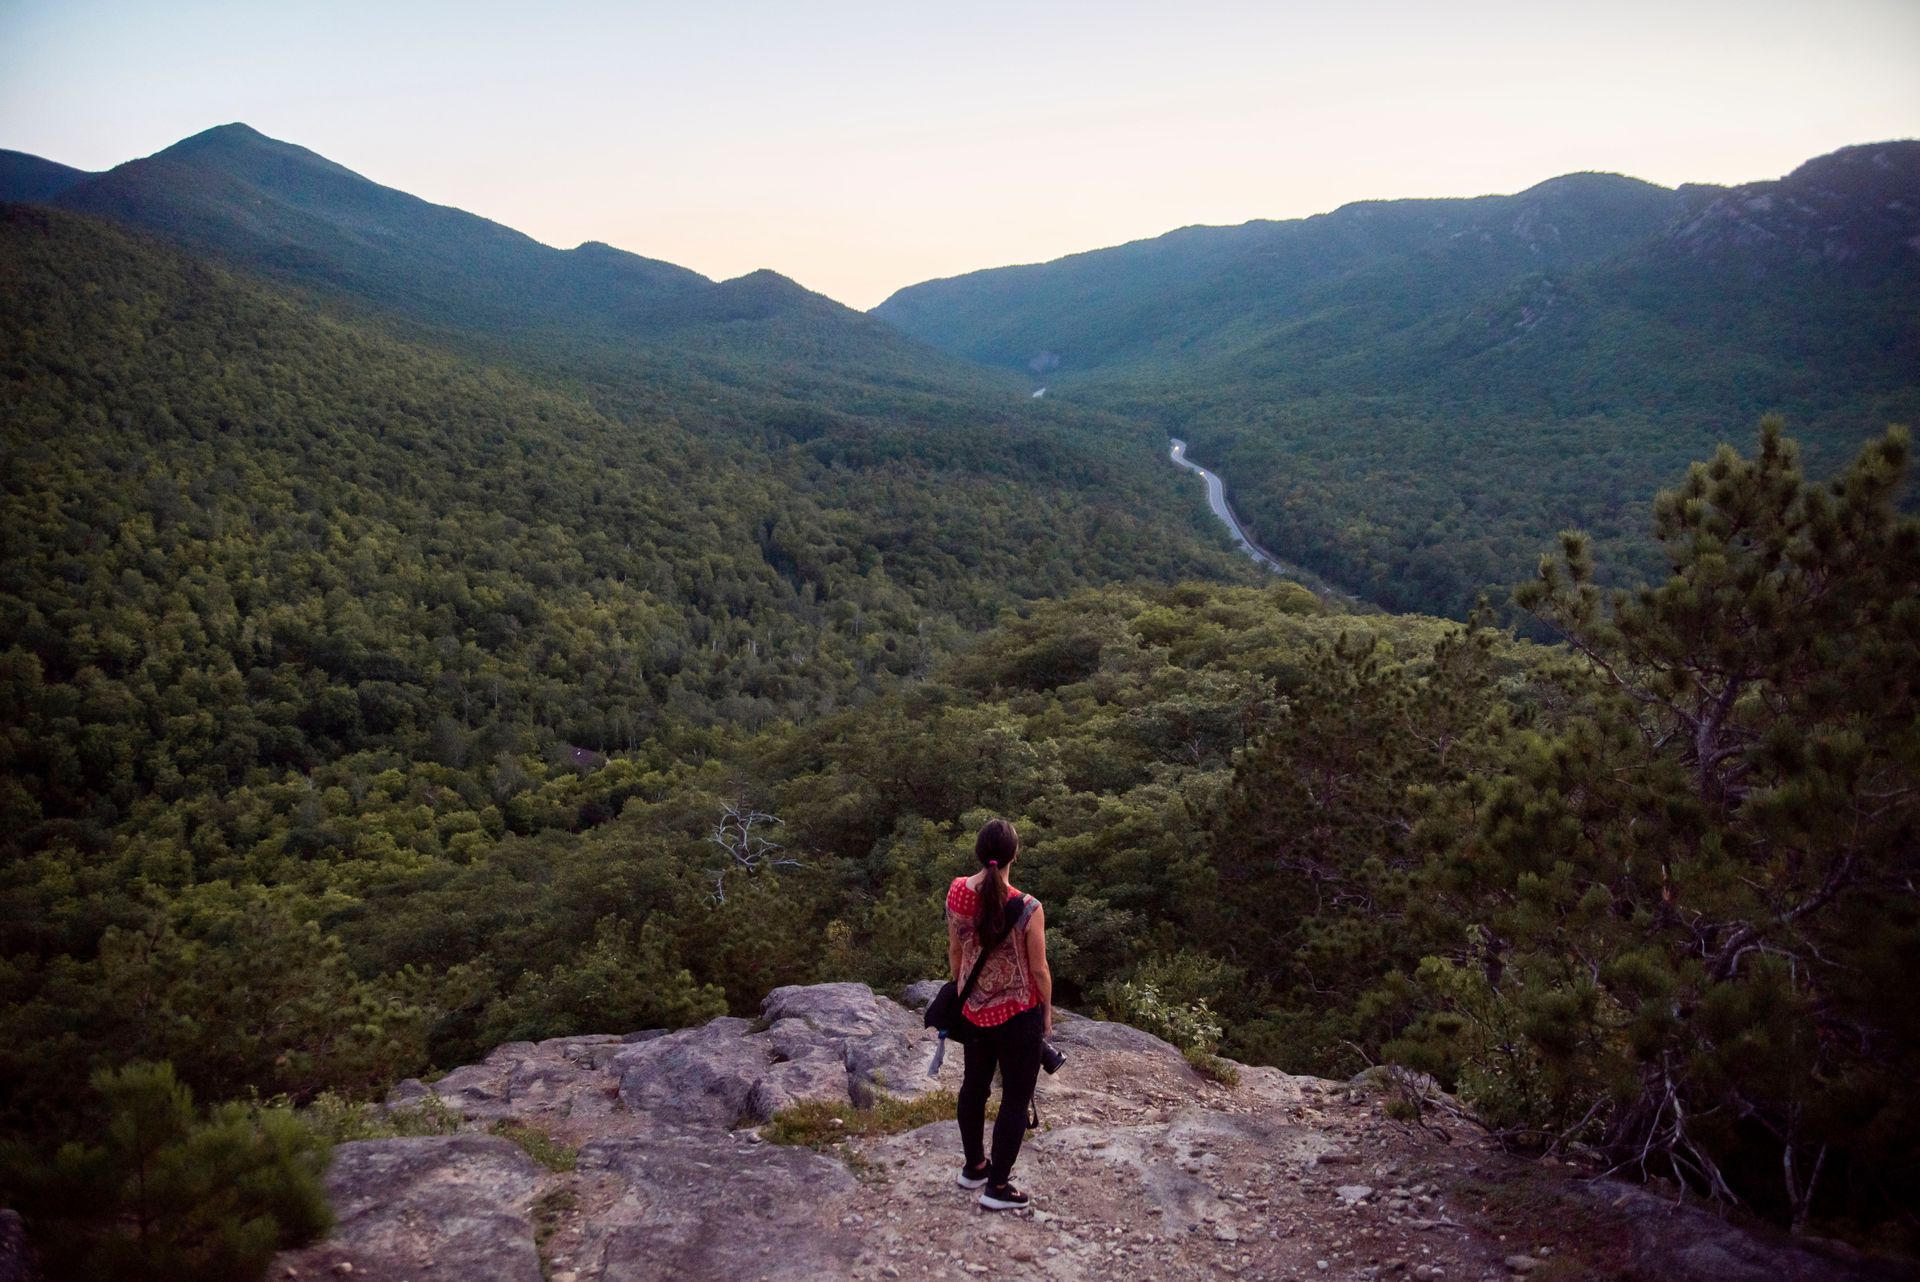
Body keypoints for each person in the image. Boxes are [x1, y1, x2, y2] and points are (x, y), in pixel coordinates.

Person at [946, 817, 1052, 1211]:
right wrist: (1046, 1013)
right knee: (1015, 1098)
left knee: (974, 1087)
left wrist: (962, 990)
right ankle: (998, 1187)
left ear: (978, 852)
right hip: (1017, 1014)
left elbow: (956, 952)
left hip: (973, 1010)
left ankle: (974, 1167)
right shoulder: (1028, 908)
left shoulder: (957, 891)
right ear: (1014, 855)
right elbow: (1039, 970)